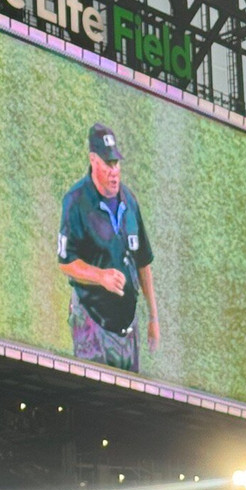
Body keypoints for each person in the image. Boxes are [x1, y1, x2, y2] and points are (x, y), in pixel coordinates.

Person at [57, 123, 159, 372]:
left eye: (116, 164)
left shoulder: (130, 202)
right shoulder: (76, 201)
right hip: (92, 325)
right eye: (107, 163)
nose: (114, 172)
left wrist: (154, 318)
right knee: (95, 399)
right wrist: (100, 276)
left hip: (127, 330)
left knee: (128, 405)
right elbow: (66, 261)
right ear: (93, 160)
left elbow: (143, 262)